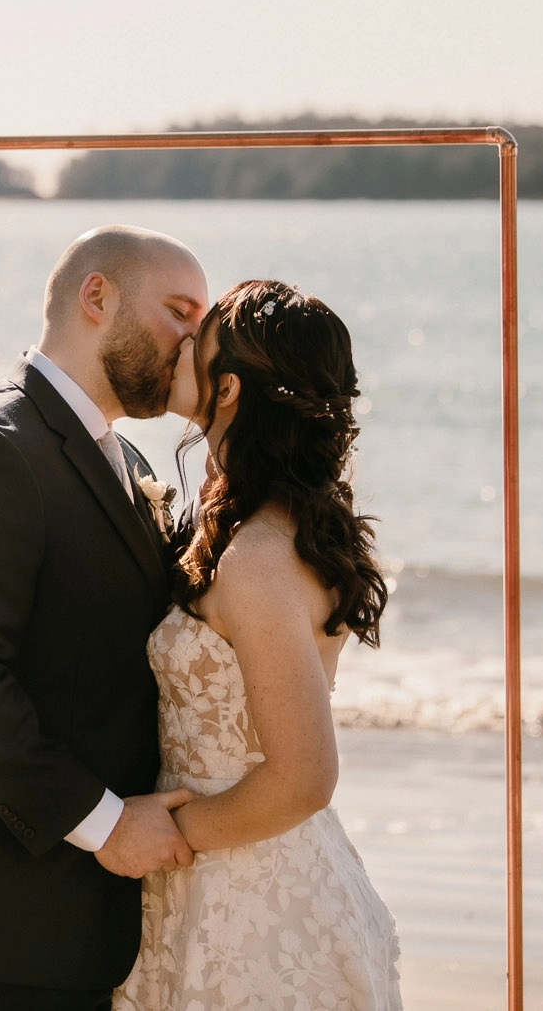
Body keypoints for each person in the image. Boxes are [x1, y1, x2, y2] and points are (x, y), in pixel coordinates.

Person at [0, 226, 210, 1011]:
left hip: (85, 920)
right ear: (97, 297)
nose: (195, 341)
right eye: (181, 312)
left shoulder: (132, 463)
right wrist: (107, 823)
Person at [115, 279, 401, 1010]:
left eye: (200, 340)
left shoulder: (259, 559)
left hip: (250, 906)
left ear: (230, 388)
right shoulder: (268, 525)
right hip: (215, 875)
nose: (182, 342)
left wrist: (163, 831)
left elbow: (304, 776)